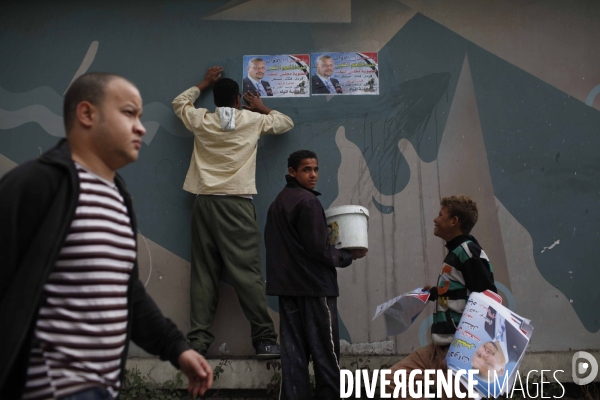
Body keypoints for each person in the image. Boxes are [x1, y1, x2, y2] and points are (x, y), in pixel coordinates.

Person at [0, 73, 213, 399]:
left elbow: (126, 292)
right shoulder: (37, 184)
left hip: (103, 389)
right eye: (129, 113)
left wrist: (176, 348)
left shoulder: (118, 197)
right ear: (87, 114)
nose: (141, 127)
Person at [172, 66, 294, 358]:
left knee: (204, 273)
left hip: (204, 202)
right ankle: (264, 339)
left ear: (215, 100)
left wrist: (202, 83)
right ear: (239, 100)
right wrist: (263, 107)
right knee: (247, 273)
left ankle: (198, 343)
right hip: (237, 204)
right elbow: (285, 123)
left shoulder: (202, 119)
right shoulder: (251, 120)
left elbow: (180, 103)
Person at [264, 150, 367, 399]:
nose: (313, 175)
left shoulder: (279, 202)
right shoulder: (308, 202)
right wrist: (348, 256)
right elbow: (319, 249)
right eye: (306, 170)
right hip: (314, 289)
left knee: (294, 356)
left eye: (316, 169)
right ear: (292, 172)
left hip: (288, 289)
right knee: (326, 354)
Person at [386, 195, 497, 399]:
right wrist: (436, 293)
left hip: (457, 349)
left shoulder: (468, 252)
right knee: (393, 380)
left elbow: (487, 300)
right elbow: (462, 292)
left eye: (440, 215)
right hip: (438, 346)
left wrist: (464, 351)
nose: (435, 220)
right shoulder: (456, 252)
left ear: (454, 221)